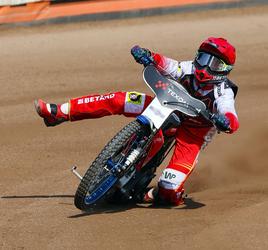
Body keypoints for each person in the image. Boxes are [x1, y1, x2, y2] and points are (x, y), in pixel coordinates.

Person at [34, 37, 239, 206]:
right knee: (118, 100)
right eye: (203, 58)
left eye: (214, 63)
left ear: (225, 69)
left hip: (194, 133)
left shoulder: (224, 92)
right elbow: (168, 65)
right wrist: (148, 56)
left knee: (169, 190)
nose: (204, 66)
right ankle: (58, 113)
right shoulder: (188, 68)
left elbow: (230, 113)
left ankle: (152, 193)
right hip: (166, 104)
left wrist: (226, 122)